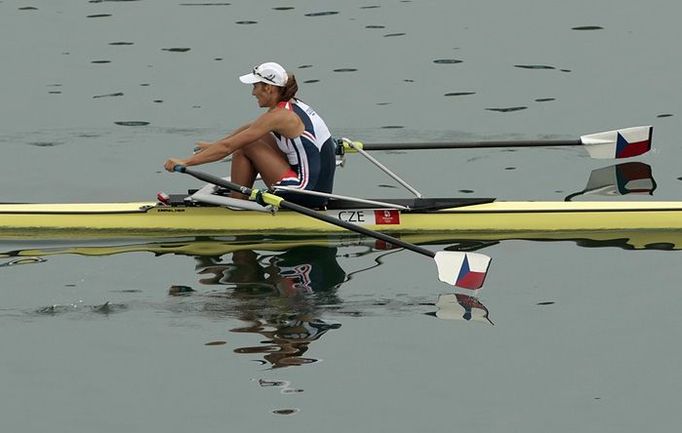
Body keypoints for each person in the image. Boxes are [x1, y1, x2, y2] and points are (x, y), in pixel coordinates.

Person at [163, 62, 336, 208]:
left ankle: (236, 206)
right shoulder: (292, 104)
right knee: (253, 138)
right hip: (318, 189)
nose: (253, 93)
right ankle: (238, 201)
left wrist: (186, 161)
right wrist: (214, 145)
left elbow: (229, 147)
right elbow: (251, 128)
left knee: (246, 145)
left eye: (255, 86)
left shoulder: (279, 116)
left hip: (303, 193)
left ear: (268, 88)